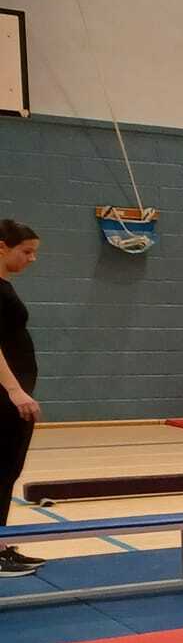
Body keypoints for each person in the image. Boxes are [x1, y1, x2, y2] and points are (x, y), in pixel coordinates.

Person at [0, 220, 44, 576]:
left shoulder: (4, 286)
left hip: (11, 394)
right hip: (4, 396)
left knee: (7, 471)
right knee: (1, 470)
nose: (32, 259)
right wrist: (14, 390)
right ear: (2, 247)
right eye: (26, 252)